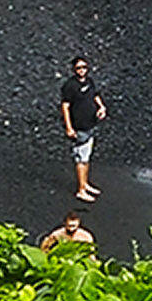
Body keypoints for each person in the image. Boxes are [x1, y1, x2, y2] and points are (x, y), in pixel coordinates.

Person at [59, 56, 106, 202]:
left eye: (84, 67)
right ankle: (80, 190)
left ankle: (85, 184)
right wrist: (69, 127)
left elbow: (95, 95)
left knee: (87, 157)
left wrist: (101, 106)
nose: (82, 70)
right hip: (78, 127)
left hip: (90, 124)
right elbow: (65, 106)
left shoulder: (89, 81)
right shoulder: (70, 86)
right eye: (79, 68)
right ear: (74, 69)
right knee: (81, 158)